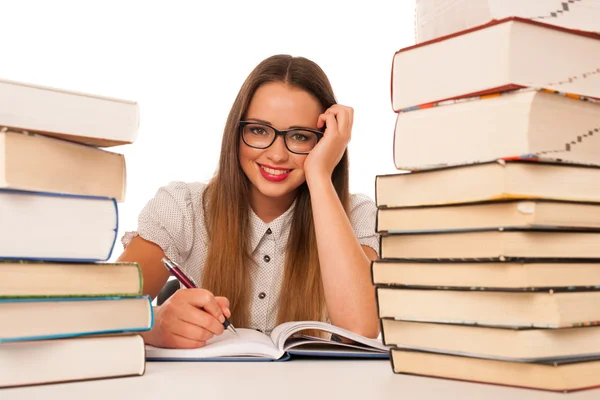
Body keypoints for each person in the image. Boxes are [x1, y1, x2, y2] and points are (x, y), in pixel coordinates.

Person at [118, 54, 380, 349]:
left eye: (300, 136)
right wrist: (154, 325)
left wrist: (320, 174)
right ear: (236, 133)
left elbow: (361, 329)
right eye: (258, 130)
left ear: (322, 141)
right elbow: (99, 311)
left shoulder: (355, 216)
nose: (277, 155)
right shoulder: (182, 208)